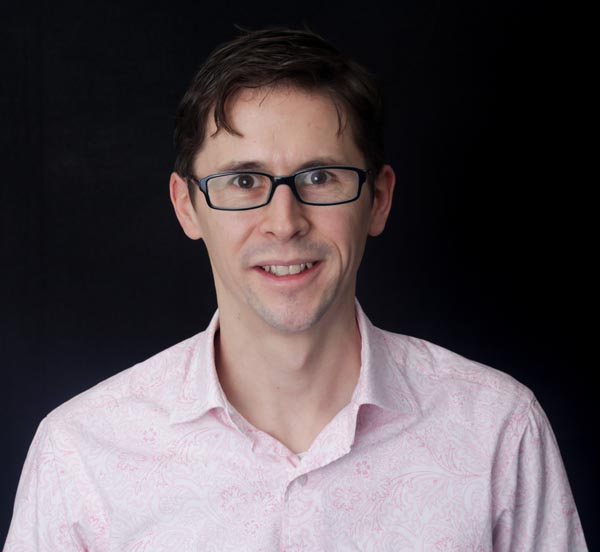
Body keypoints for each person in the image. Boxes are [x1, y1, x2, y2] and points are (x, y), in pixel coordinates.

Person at [4, 27, 587, 551]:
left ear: (379, 200)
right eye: (243, 180)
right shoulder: (80, 455)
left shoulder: (497, 430)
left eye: (320, 176)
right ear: (187, 206)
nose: (284, 222)